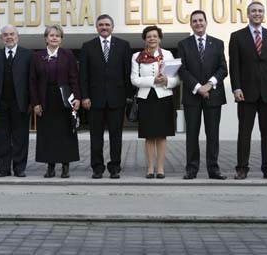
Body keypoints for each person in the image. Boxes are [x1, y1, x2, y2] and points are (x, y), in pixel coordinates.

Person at [229, 1, 267, 180]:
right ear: (247, 13)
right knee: (244, 132)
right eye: (253, 10)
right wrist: (236, 88)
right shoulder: (237, 36)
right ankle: (242, 168)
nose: (257, 13)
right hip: (245, 93)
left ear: (264, 14)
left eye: (260, 11)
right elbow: (234, 65)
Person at [80, 14, 132, 179]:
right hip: (94, 100)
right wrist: (85, 97)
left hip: (117, 99)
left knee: (116, 135)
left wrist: (128, 96)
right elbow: (84, 75)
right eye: (101, 25)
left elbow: (127, 72)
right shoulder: (87, 46)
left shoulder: (123, 45)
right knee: (96, 136)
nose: (104, 27)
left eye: (107, 25)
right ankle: (97, 167)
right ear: (97, 27)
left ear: (112, 27)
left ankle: (115, 166)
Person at [178, 10, 228, 180]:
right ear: (190, 24)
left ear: (206, 22)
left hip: (213, 95)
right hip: (192, 96)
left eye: (201, 20)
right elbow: (182, 70)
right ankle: (191, 169)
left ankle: (213, 169)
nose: (198, 23)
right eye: (194, 21)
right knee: (192, 134)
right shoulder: (183, 44)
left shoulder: (218, 43)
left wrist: (208, 85)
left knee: (213, 134)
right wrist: (198, 87)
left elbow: (223, 69)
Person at [30, 25, 80, 178]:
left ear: (61, 39)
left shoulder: (68, 55)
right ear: (46, 38)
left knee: (66, 133)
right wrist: (36, 103)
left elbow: (74, 78)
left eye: (57, 36)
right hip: (45, 99)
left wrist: (77, 97)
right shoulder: (37, 56)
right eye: (51, 35)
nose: (54, 38)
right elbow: (32, 81)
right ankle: (50, 166)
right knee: (48, 134)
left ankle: (65, 166)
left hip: (64, 99)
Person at [131, 26, 179, 179]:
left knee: (162, 134)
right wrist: (153, 80)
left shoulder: (168, 54)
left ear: (160, 38)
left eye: (155, 36)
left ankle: (160, 167)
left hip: (163, 97)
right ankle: (150, 167)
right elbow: (134, 79)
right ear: (145, 39)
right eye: (149, 36)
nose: (152, 39)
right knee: (149, 135)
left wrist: (167, 81)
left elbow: (177, 79)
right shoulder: (137, 56)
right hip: (146, 98)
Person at [0, 25, 33, 178]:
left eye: (12, 34)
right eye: (5, 35)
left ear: (17, 36)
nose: (9, 37)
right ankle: (3, 168)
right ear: (1, 38)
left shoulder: (28, 55)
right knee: (1, 138)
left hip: (21, 103)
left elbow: (32, 81)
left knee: (20, 137)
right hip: (0, 104)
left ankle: (19, 168)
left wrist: (32, 102)